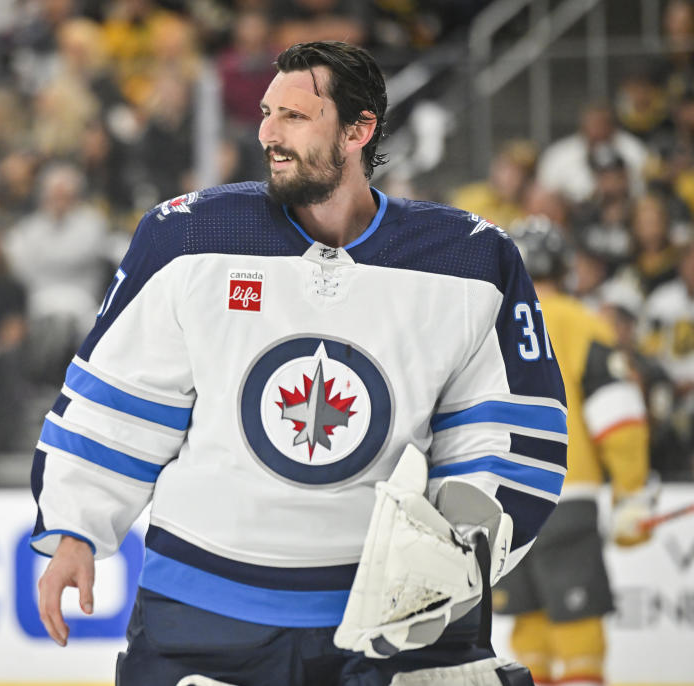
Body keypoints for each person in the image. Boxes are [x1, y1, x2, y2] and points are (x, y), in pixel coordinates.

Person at [31, 41, 566, 686]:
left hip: (388, 618)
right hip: (203, 612)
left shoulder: (469, 261)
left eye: (294, 117)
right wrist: (75, 531)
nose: (267, 134)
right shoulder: (190, 239)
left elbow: (503, 431)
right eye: (265, 114)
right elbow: (121, 400)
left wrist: (457, 553)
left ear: (357, 130)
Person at [493, 216, 652, 686]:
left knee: (530, 632)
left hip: (503, 504)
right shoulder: (584, 323)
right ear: (564, 267)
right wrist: (632, 494)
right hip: (567, 497)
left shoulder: (483, 325)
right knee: (578, 638)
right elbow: (618, 418)